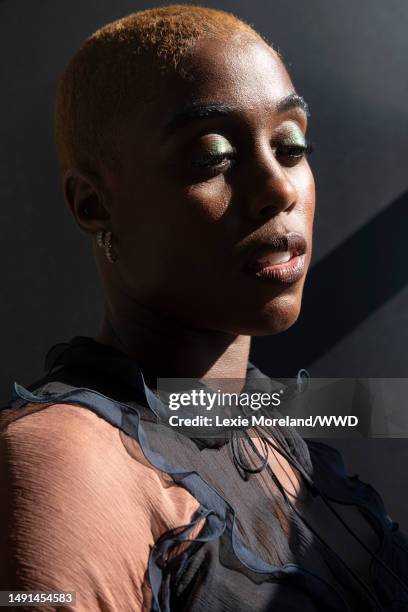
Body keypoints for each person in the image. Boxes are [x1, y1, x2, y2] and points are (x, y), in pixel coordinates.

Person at [1, 5, 407, 611]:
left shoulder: (277, 423)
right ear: (93, 205)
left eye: (292, 146)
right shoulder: (66, 462)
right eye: (213, 157)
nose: (280, 188)